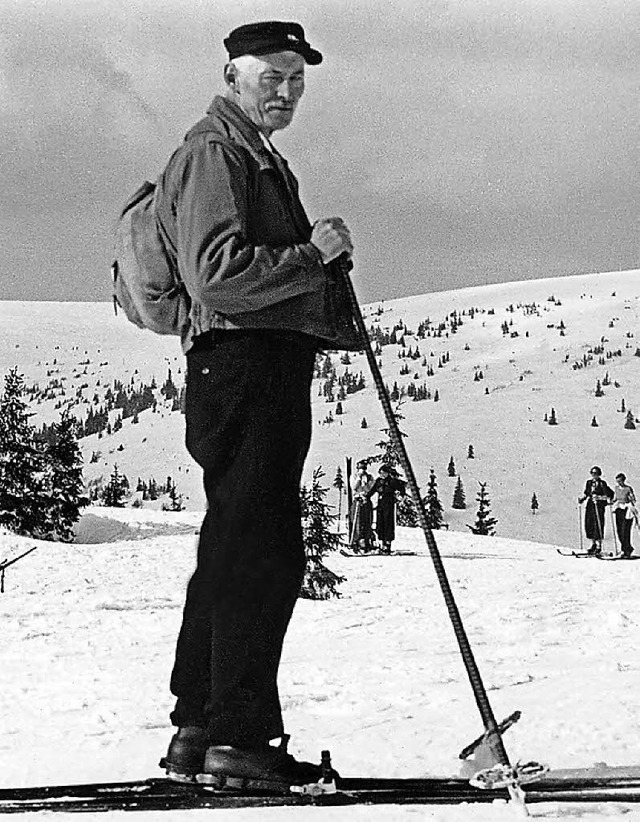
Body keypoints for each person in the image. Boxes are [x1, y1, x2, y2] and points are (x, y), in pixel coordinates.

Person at [157, 21, 361, 789]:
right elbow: (217, 276)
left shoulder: (250, 154)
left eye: (296, 77)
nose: (286, 90)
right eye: (270, 75)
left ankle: (200, 729)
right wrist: (315, 256)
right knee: (262, 553)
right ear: (232, 76)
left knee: (234, 545)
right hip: (246, 365)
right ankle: (238, 740)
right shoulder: (218, 152)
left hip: (248, 366)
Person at [368, 464, 407, 553]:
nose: (382, 475)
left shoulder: (393, 481)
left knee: (388, 523)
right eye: (380, 473)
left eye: (383, 473)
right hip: (380, 504)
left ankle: (387, 544)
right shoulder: (378, 481)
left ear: (387, 473)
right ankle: (382, 543)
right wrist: (366, 497)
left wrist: (400, 497)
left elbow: (401, 489)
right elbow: (373, 490)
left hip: (389, 503)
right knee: (380, 523)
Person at [577, 466, 614, 555]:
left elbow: (609, 494)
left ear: (599, 474)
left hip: (599, 506)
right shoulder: (589, 483)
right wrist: (582, 499)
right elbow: (587, 493)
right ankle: (593, 544)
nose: (594, 475)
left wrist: (599, 498)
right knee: (589, 524)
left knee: (598, 524)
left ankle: (599, 546)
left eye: (596, 473)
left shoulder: (602, 483)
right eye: (592, 473)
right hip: (590, 505)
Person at [349, 460, 376, 551]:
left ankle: (366, 541)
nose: (362, 470)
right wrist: (359, 478)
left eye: (364, 468)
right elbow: (354, 487)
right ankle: (357, 541)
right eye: (361, 468)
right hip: (357, 500)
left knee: (367, 520)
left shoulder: (370, 477)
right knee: (357, 521)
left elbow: (370, 488)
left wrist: (365, 484)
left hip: (366, 499)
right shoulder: (354, 476)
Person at [611, 473, 637, 558]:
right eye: (617, 481)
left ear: (623, 480)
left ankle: (627, 550)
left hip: (626, 510)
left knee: (625, 530)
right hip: (619, 510)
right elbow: (615, 499)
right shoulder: (616, 488)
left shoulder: (628, 488)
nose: (619, 483)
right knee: (619, 530)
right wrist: (609, 502)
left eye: (620, 481)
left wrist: (631, 499)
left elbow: (633, 499)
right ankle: (625, 549)